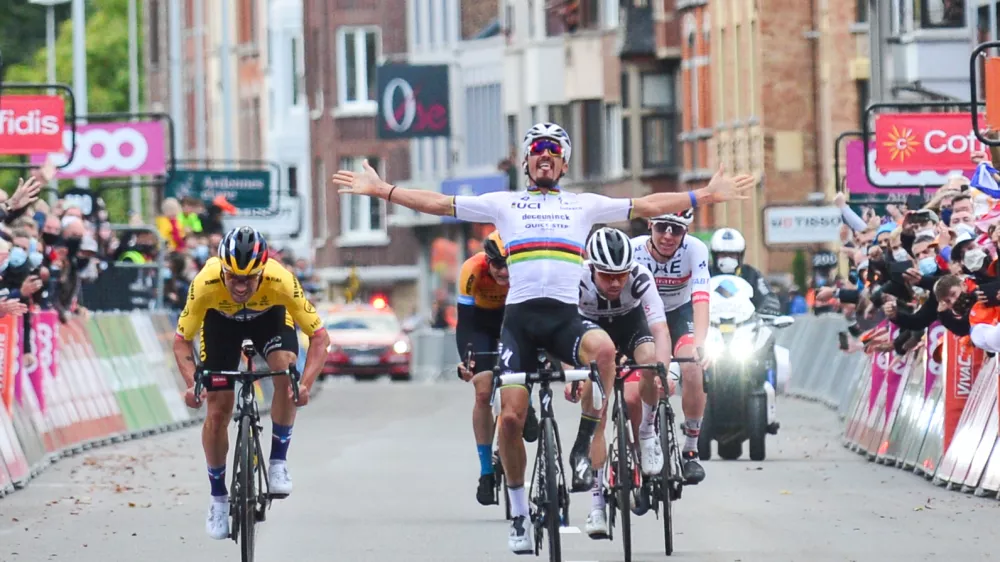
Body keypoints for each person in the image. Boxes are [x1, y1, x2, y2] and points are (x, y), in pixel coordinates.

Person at [332, 121, 754, 554]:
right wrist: (383, 190)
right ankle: (518, 512)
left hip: (565, 320)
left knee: (605, 351)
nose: (545, 155)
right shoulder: (504, 204)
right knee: (511, 419)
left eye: (554, 151)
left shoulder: (583, 205)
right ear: (527, 161)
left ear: (564, 163)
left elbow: (647, 204)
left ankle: (583, 445)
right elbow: (440, 203)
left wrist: (703, 196)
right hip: (520, 324)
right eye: (537, 150)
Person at [172, 226, 330, 541]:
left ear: (262, 271)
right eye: (233, 278)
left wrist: (305, 384)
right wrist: (192, 384)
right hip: (221, 324)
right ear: (222, 270)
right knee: (217, 409)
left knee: (286, 372)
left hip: (269, 318)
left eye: (249, 278)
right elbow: (181, 341)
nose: (241, 286)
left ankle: (277, 462)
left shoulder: (280, 279)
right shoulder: (205, 282)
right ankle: (218, 498)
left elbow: (320, 338)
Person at [567, 227, 673, 539]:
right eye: (607, 276)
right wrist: (573, 373)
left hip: (630, 326)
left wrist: (663, 371)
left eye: (620, 275)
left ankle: (647, 431)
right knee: (596, 417)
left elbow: (660, 329)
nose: (615, 283)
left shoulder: (639, 277)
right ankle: (597, 505)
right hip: (591, 331)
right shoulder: (576, 281)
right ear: (592, 268)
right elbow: (565, 333)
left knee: (650, 358)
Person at [455, 229, 540, 507]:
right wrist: (467, 359)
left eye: (509, 265)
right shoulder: (472, 269)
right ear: (487, 260)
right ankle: (486, 472)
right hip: (481, 326)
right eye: (498, 265)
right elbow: (465, 323)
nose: (504, 272)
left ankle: (526, 404)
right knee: (483, 392)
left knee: (521, 371)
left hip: (513, 322)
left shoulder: (528, 272)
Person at [631, 209, 711, 485]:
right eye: (662, 227)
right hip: (642, 315)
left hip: (680, 312)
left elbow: (701, 298)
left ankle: (691, 449)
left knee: (693, 367)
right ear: (650, 225)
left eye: (676, 230)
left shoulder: (696, 249)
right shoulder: (633, 250)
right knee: (645, 372)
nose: (667, 236)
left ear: (685, 232)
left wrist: (700, 343)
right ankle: (645, 433)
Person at [708, 227, 779, 314]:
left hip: (746, 321)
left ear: (740, 256)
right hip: (709, 320)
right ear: (714, 256)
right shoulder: (705, 274)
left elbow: (766, 295)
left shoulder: (751, 274)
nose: (727, 259)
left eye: (732, 255)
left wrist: (769, 307)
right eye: (723, 255)